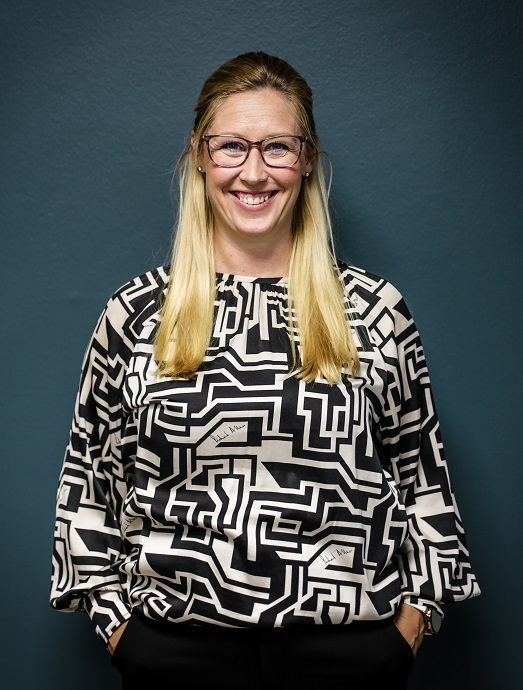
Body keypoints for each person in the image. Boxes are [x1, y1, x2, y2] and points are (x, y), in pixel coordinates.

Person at [50, 51, 480, 690]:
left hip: (350, 656)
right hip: (176, 655)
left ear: (307, 160)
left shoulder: (374, 311)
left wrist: (409, 627)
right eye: (231, 147)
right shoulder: (136, 314)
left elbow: (424, 482)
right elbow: (89, 488)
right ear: (199, 155)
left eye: (277, 147)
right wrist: (123, 634)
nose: (253, 172)